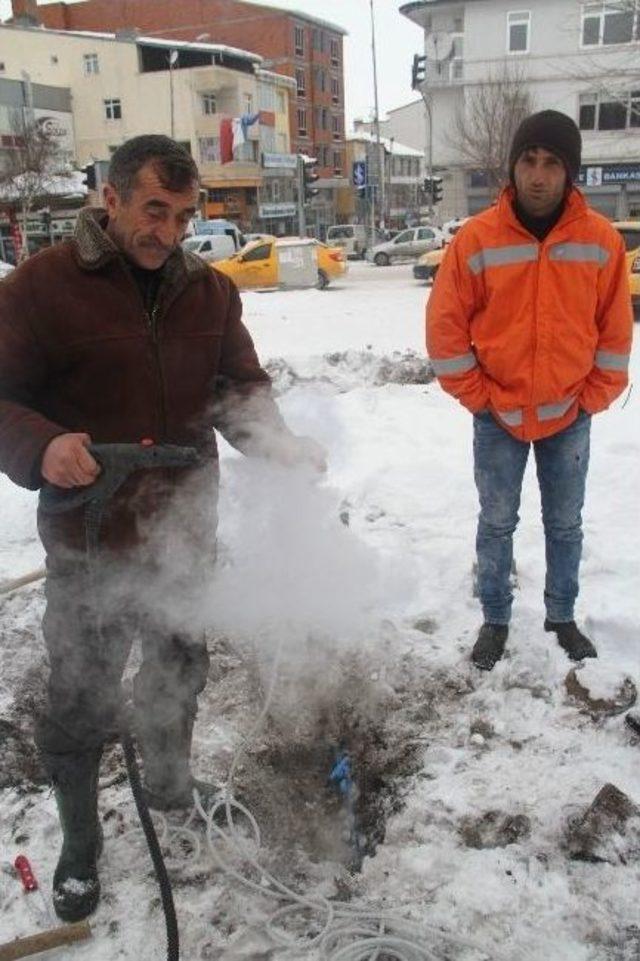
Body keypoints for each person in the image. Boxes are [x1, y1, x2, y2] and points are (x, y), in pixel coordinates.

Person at [0, 135, 325, 922]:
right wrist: (45, 445)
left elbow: (238, 388)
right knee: (79, 697)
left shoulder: (208, 293)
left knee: (179, 667)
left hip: (184, 530)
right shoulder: (39, 290)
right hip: (89, 537)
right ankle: (80, 840)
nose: (169, 232)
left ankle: (170, 782)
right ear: (109, 198)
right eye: (154, 211)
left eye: (183, 216)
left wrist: (276, 442)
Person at [426, 110, 632, 672]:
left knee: (565, 524)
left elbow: (614, 329)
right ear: (513, 167)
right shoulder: (476, 239)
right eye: (528, 161)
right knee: (496, 522)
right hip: (499, 414)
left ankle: (561, 616)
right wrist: (480, 396)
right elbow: (446, 329)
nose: (538, 175)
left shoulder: (600, 242)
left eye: (552, 164)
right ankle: (495, 618)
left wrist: (593, 395)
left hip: (570, 412)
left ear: (570, 174)